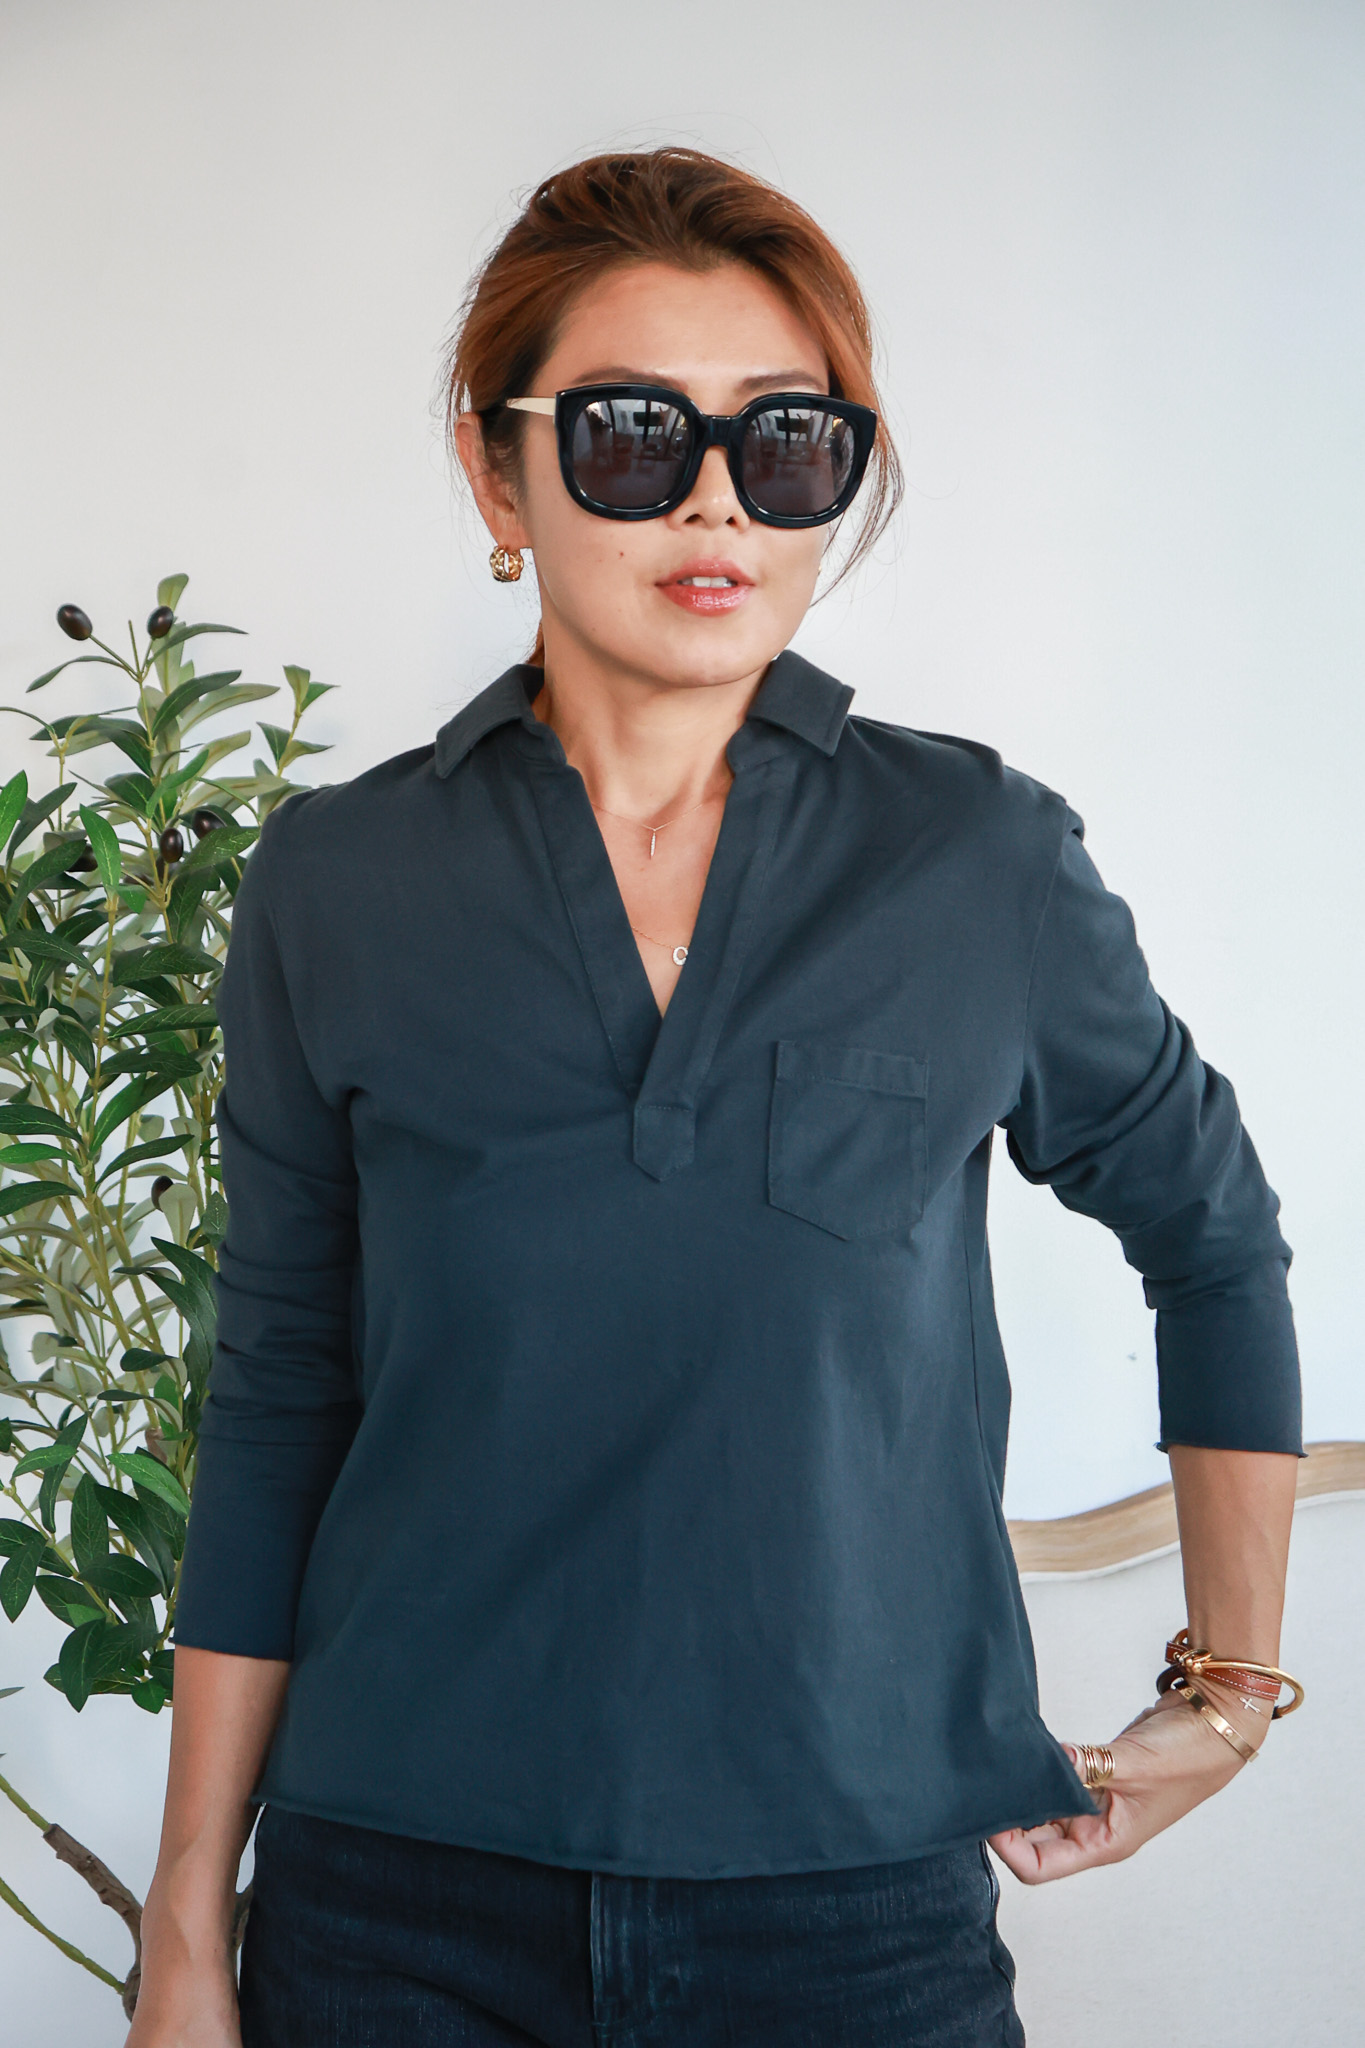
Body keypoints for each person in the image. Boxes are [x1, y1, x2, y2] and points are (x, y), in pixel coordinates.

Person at [126, 148, 1303, 2048]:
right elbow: (275, 1393)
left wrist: (1230, 1691)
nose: (713, 502)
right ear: (492, 469)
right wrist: (186, 1923)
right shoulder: (337, 884)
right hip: (397, 1906)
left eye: (786, 443)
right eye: (629, 435)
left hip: (856, 1915)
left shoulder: (975, 859)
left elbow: (1214, 1234)